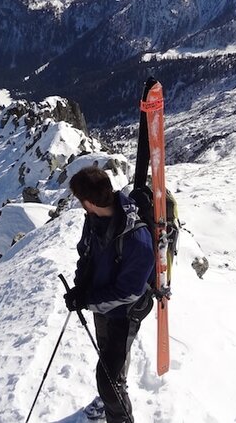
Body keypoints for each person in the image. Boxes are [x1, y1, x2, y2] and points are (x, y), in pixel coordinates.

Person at [64, 166, 155, 423]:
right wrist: (80, 287)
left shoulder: (137, 239)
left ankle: (118, 413)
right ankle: (112, 396)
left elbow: (130, 292)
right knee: (108, 361)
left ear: (89, 202)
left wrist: (88, 299)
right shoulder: (93, 219)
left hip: (125, 314)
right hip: (102, 304)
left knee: (107, 380)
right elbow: (86, 254)